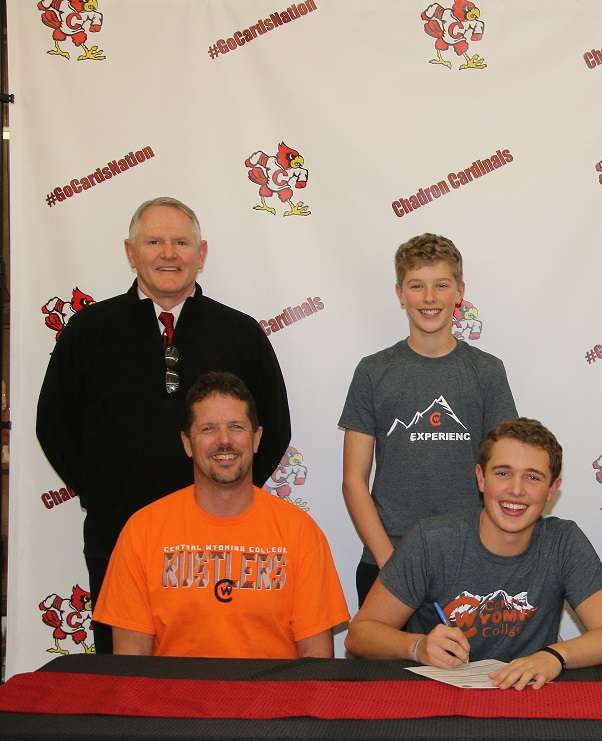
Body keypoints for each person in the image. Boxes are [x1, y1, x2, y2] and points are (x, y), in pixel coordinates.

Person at [36, 197, 291, 653]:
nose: (168, 253)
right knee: (126, 677)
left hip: (219, 540)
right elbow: (53, 425)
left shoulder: (240, 332)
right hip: (118, 532)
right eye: (153, 241)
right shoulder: (88, 330)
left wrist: (229, 496)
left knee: (215, 662)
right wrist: (101, 491)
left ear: (202, 252)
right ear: (131, 252)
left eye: (180, 242)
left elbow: (273, 426)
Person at [345, 418, 602, 690]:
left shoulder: (563, 542)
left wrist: (554, 657)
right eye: (503, 473)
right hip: (439, 700)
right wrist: (416, 646)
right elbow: (360, 635)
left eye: (533, 478)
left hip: (526, 700)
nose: (516, 490)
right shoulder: (432, 540)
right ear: (481, 478)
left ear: (552, 490)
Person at [93, 372, 348, 658]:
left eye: (236, 427)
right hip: (173, 703)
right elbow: (131, 668)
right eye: (208, 429)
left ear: (256, 438)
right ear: (187, 443)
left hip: (271, 702)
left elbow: (315, 666)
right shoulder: (142, 532)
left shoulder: (299, 533)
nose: (224, 441)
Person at [339, 233, 517, 605]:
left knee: (473, 666)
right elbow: (354, 480)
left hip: (469, 559)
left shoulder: (487, 372)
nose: (430, 298)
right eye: (417, 286)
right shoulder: (373, 372)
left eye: (441, 285)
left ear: (459, 292)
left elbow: (505, 471)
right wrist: (392, 565)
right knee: (383, 665)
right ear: (400, 293)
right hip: (387, 560)